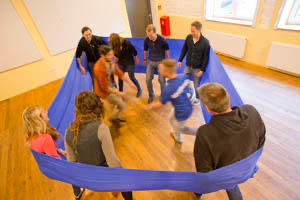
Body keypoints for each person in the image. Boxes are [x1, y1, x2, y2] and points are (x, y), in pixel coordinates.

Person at [194, 83, 266, 200]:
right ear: (227, 98)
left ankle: (198, 193)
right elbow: (261, 139)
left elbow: (204, 170)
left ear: (207, 108)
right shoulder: (250, 110)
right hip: (247, 167)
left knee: (226, 181)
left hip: (227, 174)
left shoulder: (205, 133)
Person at [65, 91, 133, 200]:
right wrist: (118, 184)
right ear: (98, 107)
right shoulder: (101, 128)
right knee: (127, 181)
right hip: (102, 176)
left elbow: (71, 163)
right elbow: (113, 163)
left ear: (77, 109)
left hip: (86, 179)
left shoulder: (68, 131)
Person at [148, 59, 197, 143]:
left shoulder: (168, 89)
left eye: (160, 69)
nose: (158, 70)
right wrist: (191, 95)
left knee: (181, 128)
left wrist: (152, 106)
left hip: (183, 112)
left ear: (166, 73)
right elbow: (189, 86)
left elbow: (160, 104)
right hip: (184, 106)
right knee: (171, 119)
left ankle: (190, 135)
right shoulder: (183, 76)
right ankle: (176, 132)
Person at [93, 45, 136, 123]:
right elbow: (104, 87)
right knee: (122, 105)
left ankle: (114, 114)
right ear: (102, 56)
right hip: (105, 92)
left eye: (112, 54)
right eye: (109, 55)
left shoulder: (109, 61)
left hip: (111, 86)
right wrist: (118, 92)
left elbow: (119, 72)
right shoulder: (99, 68)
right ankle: (113, 118)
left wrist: (130, 83)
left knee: (118, 101)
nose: (112, 56)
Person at [178, 21, 210, 105]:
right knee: (184, 81)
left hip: (197, 68)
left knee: (196, 86)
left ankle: (197, 98)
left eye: (193, 31)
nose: (191, 33)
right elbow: (184, 49)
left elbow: (206, 58)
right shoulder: (189, 37)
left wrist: (202, 70)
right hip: (188, 65)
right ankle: (190, 92)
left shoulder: (205, 43)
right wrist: (180, 60)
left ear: (199, 30)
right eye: (191, 30)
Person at [144, 24, 170, 104]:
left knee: (161, 80)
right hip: (151, 61)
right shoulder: (146, 40)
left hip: (160, 62)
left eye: (151, 35)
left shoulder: (162, 39)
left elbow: (167, 49)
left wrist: (167, 60)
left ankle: (164, 96)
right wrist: (145, 58)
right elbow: (145, 49)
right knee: (148, 79)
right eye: (148, 36)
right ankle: (151, 95)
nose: (150, 37)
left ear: (155, 33)